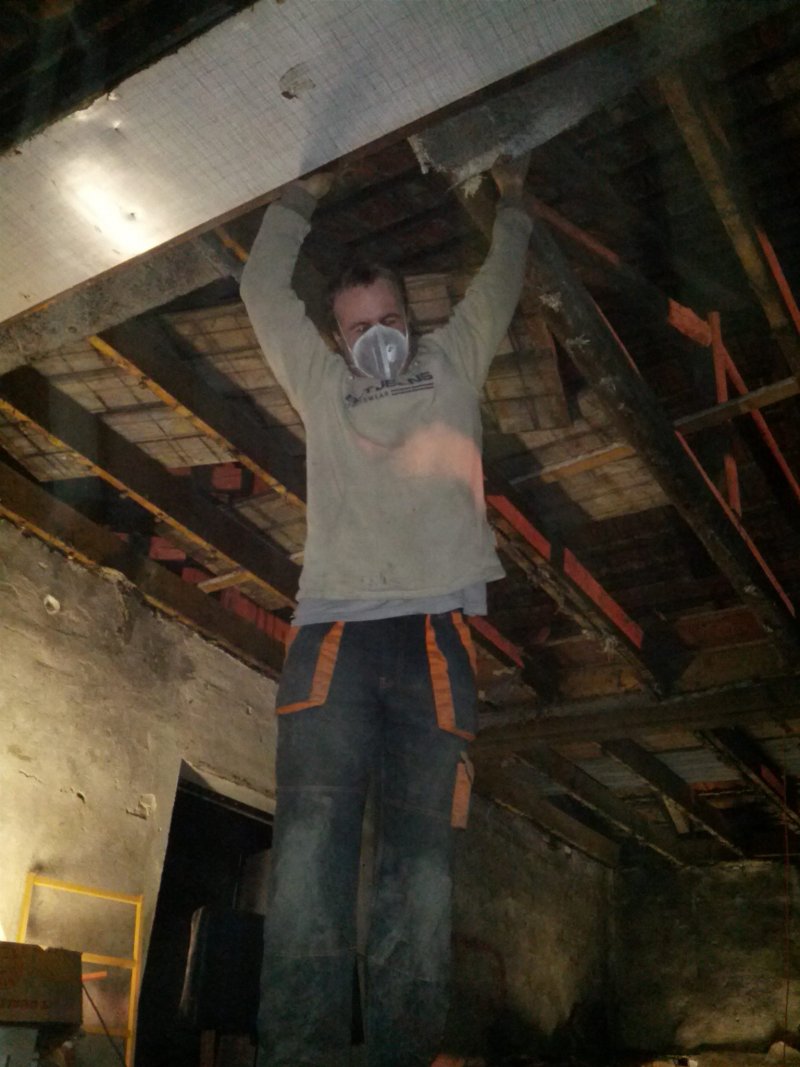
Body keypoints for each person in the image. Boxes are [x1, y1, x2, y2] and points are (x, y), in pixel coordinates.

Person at [240, 154, 532, 1067]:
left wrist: (515, 204)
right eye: (359, 327)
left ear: (413, 319)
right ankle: (299, 1053)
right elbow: (261, 289)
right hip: (335, 633)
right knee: (310, 850)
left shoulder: (452, 362)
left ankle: (404, 1052)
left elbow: (500, 280)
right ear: (337, 336)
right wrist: (299, 197)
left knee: (423, 859)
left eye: (390, 321)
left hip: (436, 638)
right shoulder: (323, 389)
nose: (378, 339)